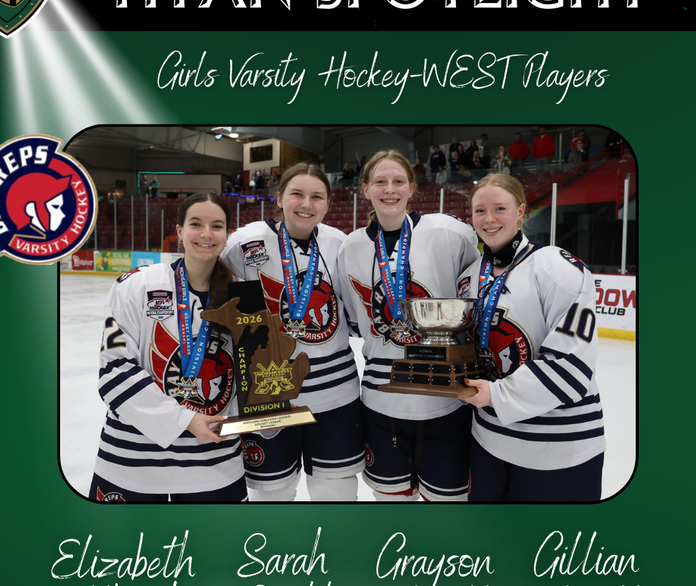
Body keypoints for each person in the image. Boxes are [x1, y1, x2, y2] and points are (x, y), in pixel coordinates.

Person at [337, 150, 479, 502]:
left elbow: (475, 293)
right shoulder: (351, 247)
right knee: (391, 500)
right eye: (380, 182)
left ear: (412, 188)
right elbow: (356, 319)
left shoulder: (449, 233)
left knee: (447, 502)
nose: (390, 190)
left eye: (399, 181)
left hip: (446, 400)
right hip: (381, 401)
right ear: (365, 187)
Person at [90, 192, 247, 502]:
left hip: (214, 465)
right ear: (178, 231)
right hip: (133, 465)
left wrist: (271, 409)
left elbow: (251, 375)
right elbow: (114, 372)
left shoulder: (241, 296)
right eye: (195, 224)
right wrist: (184, 419)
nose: (206, 234)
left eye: (216, 226)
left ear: (227, 234)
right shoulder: (136, 285)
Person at [221, 163, 364, 501]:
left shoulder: (338, 244)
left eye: (317, 197)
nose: (306, 204)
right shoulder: (245, 243)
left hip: (336, 397)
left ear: (327, 205)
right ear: (280, 198)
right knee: (273, 495)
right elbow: (225, 322)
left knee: (337, 494)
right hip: (269, 394)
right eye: (297, 194)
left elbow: (356, 317)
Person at [460, 174, 605, 502]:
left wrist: (496, 395)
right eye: (480, 210)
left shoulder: (555, 267)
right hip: (487, 441)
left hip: (557, 450)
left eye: (500, 208)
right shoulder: (469, 278)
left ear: (522, 210)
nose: (490, 218)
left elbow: (571, 366)